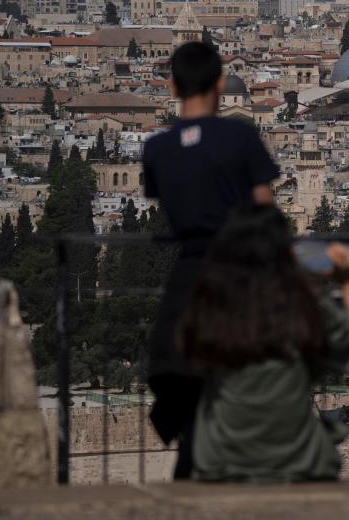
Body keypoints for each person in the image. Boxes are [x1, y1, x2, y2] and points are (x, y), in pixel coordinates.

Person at [144, 41, 280, 478]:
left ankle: (193, 465)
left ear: (171, 85)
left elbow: (167, 201)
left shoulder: (157, 149)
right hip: (237, 273)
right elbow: (264, 205)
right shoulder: (239, 135)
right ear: (222, 84)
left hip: (187, 275)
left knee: (181, 373)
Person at [177, 205, 349, 482]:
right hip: (297, 462)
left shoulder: (207, 307)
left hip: (221, 462)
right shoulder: (305, 303)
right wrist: (348, 284)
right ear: (287, 251)